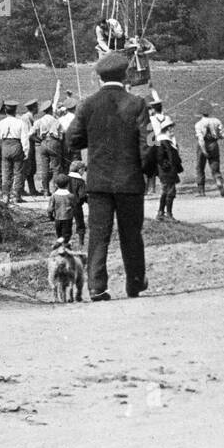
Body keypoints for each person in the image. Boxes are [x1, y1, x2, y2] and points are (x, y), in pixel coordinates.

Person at [64, 51, 151, 300]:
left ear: (99, 77)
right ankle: (134, 282)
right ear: (125, 75)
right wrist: (144, 170)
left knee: (98, 235)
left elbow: (72, 139)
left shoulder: (88, 105)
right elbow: (149, 144)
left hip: (98, 182)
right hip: (130, 181)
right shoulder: (137, 104)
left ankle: (96, 286)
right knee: (132, 234)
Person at [0, 100, 29, 204]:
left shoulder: (1, 123)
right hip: (16, 145)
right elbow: (24, 139)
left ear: (5, 110)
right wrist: (26, 151)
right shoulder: (20, 122)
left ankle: (5, 196)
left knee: (6, 172)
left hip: (5, 146)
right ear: (15, 110)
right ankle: (16, 196)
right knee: (18, 172)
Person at [194, 101, 224, 197]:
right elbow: (223, 135)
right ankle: (218, 180)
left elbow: (200, 139)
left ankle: (201, 191)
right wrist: (218, 136)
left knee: (200, 168)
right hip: (214, 144)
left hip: (203, 144)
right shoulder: (217, 121)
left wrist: (204, 150)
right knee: (215, 166)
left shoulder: (198, 124)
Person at [155, 119, 183, 220]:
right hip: (167, 172)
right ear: (166, 129)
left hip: (168, 171)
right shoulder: (163, 141)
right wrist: (167, 166)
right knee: (170, 192)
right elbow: (159, 157)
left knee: (165, 191)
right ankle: (169, 215)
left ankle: (161, 213)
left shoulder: (167, 141)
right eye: (170, 128)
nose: (172, 130)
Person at [34, 101, 63, 194]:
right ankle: (56, 189)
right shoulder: (56, 120)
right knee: (56, 167)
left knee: (44, 167)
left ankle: (46, 190)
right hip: (54, 142)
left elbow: (31, 133)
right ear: (51, 109)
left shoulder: (39, 121)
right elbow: (61, 136)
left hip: (43, 142)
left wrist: (40, 140)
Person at [47, 172, 77, 248]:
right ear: (67, 185)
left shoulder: (54, 196)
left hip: (57, 218)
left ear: (56, 185)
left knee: (59, 234)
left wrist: (50, 216)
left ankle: (60, 246)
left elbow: (50, 208)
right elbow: (74, 205)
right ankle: (63, 247)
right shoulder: (71, 196)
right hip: (67, 218)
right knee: (66, 235)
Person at [19, 98, 40, 200]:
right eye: (37, 106)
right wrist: (40, 140)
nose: (38, 108)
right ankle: (22, 189)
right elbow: (28, 134)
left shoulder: (30, 117)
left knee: (31, 168)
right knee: (26, 167)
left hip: (31, 144)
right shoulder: (26, 118)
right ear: (34, 108)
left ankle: (32, 189)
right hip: (27, 145)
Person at [67, 158, 88, 250]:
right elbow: (82, 195)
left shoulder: (66, 178)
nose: (84, 172)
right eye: (83, 170)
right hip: (76, 205)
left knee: (67, 223)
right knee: (80, 223)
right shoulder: (81, 182)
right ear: (80, 170)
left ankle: (65, 241)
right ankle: (81, 242)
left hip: (65, 205)